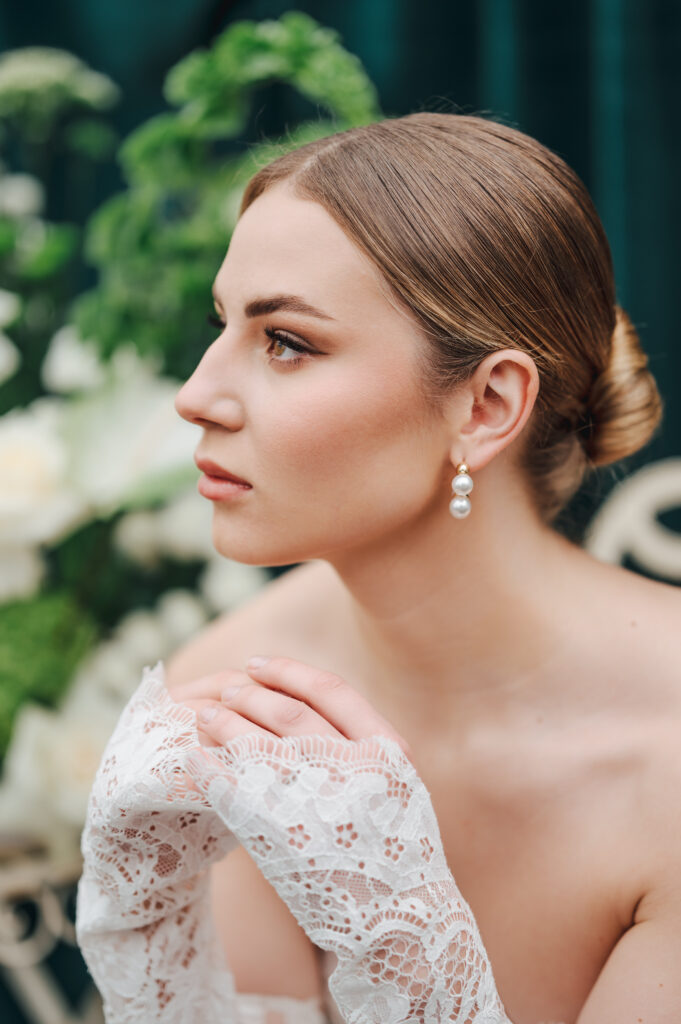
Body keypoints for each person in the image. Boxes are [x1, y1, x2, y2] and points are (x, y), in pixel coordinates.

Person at [75, 112, 681, 1024]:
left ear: (484, 405)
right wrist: (152, 945)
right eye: (223, 323)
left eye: (285, 341)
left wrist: (407, 952)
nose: (195, 395)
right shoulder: (240, 695)